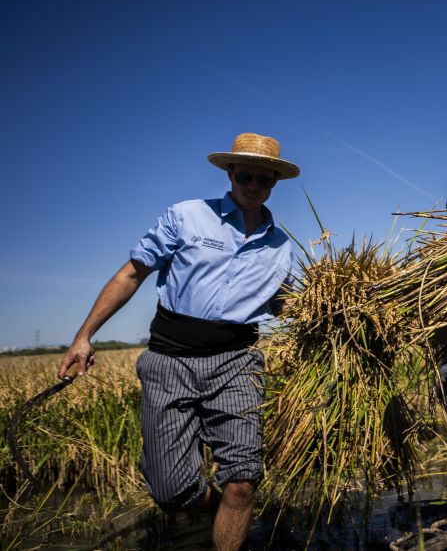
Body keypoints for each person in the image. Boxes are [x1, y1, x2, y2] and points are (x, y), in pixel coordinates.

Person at [59, 133, 299, 551]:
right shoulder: (187, 216)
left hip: (237, 362)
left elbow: (281, 303)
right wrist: (83, 337)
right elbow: (131, 273)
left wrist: (328, 308)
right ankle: (222, 510)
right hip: (169, 362)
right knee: (172, 493)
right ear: (230, 172)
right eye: (246, 176)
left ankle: (235, 511)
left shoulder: (280, 246)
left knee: (242, 482)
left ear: (274, 183)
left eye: (265, 180)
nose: (254, 186)